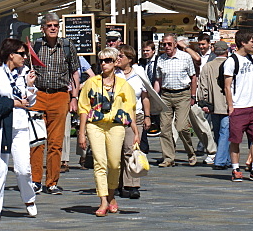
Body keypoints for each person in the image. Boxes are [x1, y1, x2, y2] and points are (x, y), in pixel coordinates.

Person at [78, 47, 139, 216]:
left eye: (108, 61)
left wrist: (136, 131)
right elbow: (83, 107)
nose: (104, 64)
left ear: (115, 63)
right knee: (100, 162)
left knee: (114, 163)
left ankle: (111, 195)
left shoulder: (123, 85)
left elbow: (130, 109)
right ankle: (103, 200)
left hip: (116, 125)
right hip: (95, 125)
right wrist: (81, 132)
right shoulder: (92, 82)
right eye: (101, 61)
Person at [0, 38, 38, 222]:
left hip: (20, 126)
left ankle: (29, 199)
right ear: (10, 55)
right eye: (21, 54)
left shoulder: (25, 74)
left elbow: (31, 102)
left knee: (23, 169)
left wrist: (30, 86)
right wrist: (13, 102)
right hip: (1, 126)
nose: (24, 57)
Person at [30, 11, 81, 194]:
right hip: (39, 95)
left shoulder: (67, 46)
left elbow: (75, 72)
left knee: (56, 142)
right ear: (43, 28)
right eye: (49, 25)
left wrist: (74, 97)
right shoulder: (35, 46)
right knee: (36, 141)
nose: (53, 28)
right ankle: (35, 180)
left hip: (60, 96)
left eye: (56, 25)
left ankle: (51, 182)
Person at [225, 31, 253, 182]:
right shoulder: (231, 61)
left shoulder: (252, 58)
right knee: (236, 140)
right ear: (243, 43)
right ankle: (235, 169)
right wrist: (231, 106)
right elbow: (227, 86)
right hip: (238, 107)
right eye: (251, 41)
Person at [153, 33, 197, 167]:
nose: (166, 47)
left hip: (182, 94)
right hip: (166, 95)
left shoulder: (185, 57)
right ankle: (168, 158)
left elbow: (193, 77)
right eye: (164, 44)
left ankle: (190, 152)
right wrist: (155, 95)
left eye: (169, 44)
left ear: (175, 44)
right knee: (165, 128)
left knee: (182, 127)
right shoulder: (161, 59)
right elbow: (158, 80)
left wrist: (193, 96)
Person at [116, 44, 151, 199]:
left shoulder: (139, 72)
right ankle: (117, 184)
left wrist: (147, 116)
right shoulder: (113, 73)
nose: (118, 58)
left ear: (129, 59)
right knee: (116, 152)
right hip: (116, 117)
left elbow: (145, 95)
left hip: (136, 116)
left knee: (131, 149)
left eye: (121, 56)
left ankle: (132, 184)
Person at [197, 40, 231, 169]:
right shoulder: (231, 64)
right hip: (227, 104)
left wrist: (203, 102)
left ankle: (225, 159)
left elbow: (203, 86)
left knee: (218, 132)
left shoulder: (208, 66)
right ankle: (220, 160)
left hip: (213, 105)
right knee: (225, 132)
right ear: (226, 51)